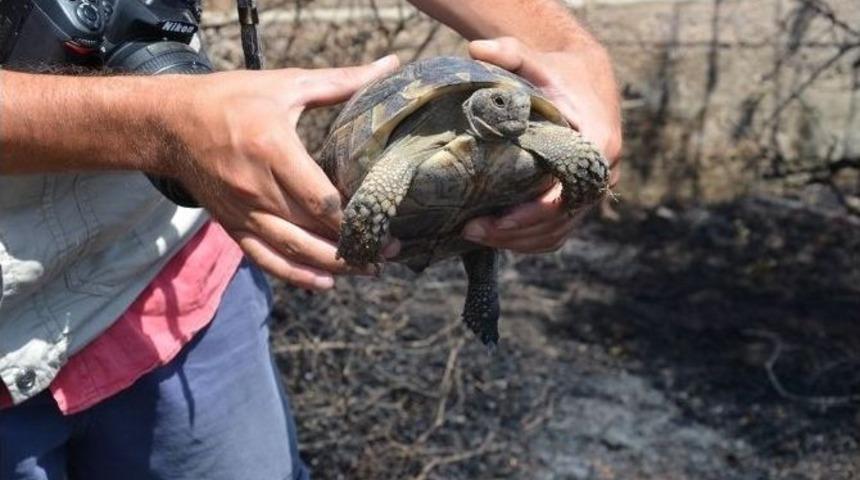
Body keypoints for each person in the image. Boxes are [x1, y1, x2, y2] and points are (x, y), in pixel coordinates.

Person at [0, 0, 621, 478]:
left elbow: (559, 132)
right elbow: (387, 176)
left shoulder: (512, 119)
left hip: (173, 279)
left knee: (480, 244)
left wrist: (571, 55)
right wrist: (158, 125)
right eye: (498, 108)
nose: (510, 115)